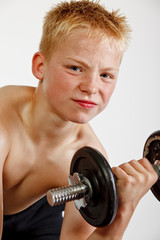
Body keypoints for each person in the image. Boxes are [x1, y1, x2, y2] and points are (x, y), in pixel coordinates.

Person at [0, 0, 158, 239]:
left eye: (106, 75)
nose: (92, 87)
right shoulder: (3, 125)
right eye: (75, 68)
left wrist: (124, 208)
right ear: (40, 66)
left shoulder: (87, 157)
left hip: (40, 215)